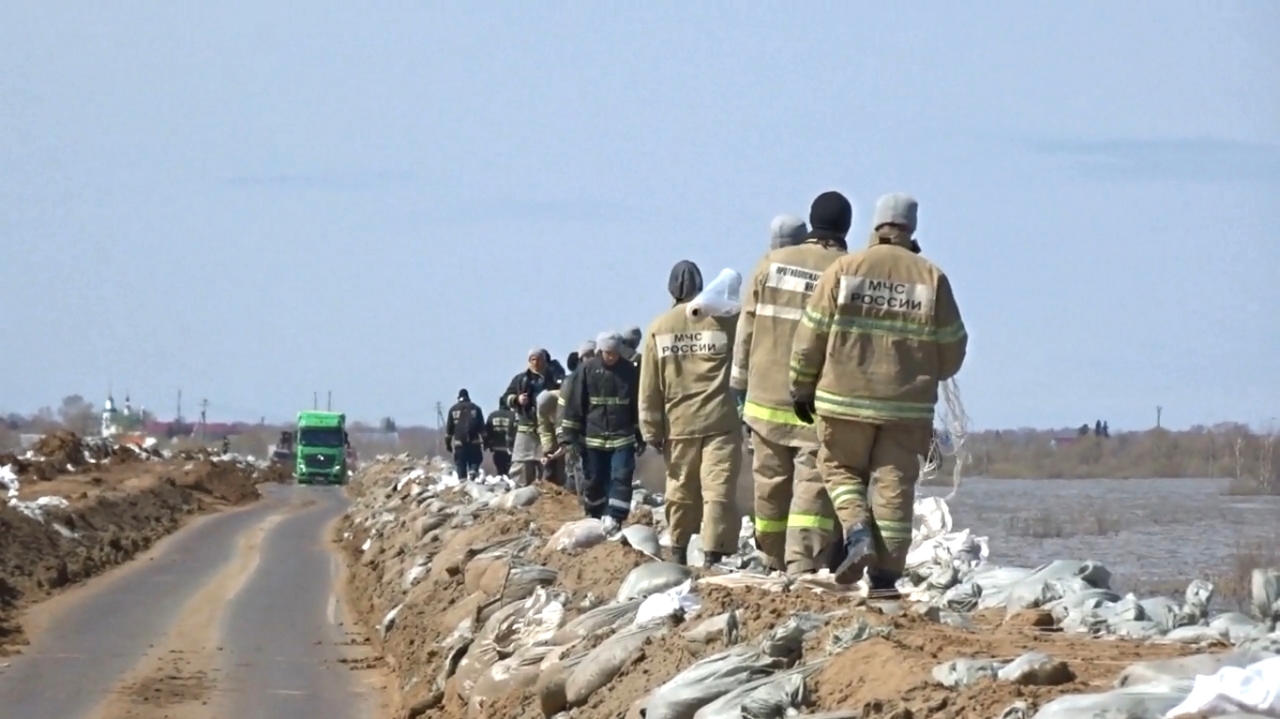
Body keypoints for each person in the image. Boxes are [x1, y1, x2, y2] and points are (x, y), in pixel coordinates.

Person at [789, 193, 967, 592]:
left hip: (842, 402)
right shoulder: (932, 277)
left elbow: (809, 337)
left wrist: (802, 387)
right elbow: (954, 348)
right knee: (893, 485)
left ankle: (857, 534)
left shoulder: (844, 270)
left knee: (839, 469)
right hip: (907, 409)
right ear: (912, 228)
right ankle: (886, 579)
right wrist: (924, 374)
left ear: (875, 224)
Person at [733, 199, 851, 575]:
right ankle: (802, 564)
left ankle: (770, 556)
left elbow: (746, 327)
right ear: (845, 229)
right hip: (818, 402)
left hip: (764, 398)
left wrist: (739, 382)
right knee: (812, 486)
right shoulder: (845, 269)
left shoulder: (769, 265)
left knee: (770, 481)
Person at [639, 260, 742, 567]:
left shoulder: (659, 327)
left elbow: (649, 387)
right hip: (721, 422)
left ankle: (678, 549)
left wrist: (651, 432)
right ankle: (713, 553)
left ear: (671, 288)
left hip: (679, 424)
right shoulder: (724, 321)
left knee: (680, 490)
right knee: (718, 490)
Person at [558, 331, 642, 535]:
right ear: (600, 351)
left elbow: (638, 404)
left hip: (622, 436)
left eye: (614, 352)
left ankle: (615, 517)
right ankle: (595, 514)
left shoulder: (630, 371)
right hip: (593, 438)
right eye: (607, 353)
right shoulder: (586, 371)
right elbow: (574, 405)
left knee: (621, 476)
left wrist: (641, 434)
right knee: (595, 479)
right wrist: (569, 437)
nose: (611, 356)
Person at [501, 350, 560, 485]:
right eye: (532, 359)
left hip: (548, 428)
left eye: (539, 359)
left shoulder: (554, 377)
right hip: (526, 426)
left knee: (550, 464)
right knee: (521, 466)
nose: (535, 362)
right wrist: (517, 399)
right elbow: (506, 398)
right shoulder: (520, 379)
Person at [536, 389, 567, 486]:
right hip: (557, 430)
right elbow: (545, 429)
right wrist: (547, 452)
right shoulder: (542, 408)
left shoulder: (567, 401)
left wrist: (563, 446)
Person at [484, 399, 517, 477]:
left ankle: (501, 482)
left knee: (500, 469)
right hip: (510, 448)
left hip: (496, 447)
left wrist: (487, 444)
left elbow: (487, 431)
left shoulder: (492, 415)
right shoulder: (513, 415)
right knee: (509, 469)